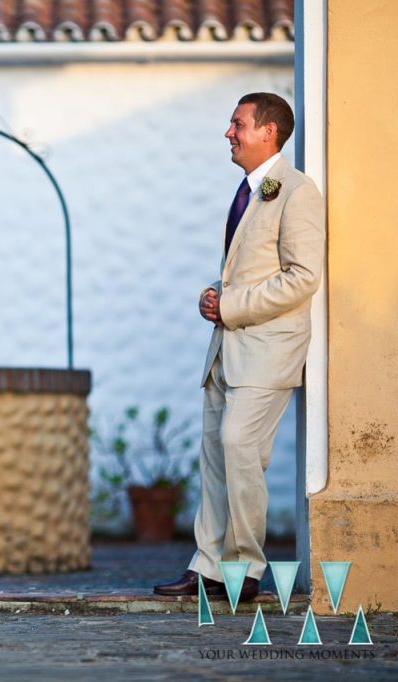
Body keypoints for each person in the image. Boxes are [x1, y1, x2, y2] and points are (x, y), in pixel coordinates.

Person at [154, 93, 325, 601]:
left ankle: (245, 570)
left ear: (269, 132)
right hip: (225, 352)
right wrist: (215, 295)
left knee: (238, 446)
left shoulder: (298, 191)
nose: (229, 132)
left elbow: (303, 277)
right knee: (214, 455)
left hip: (268, 351)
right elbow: (246, 270)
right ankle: (208, 567)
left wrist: (231, 305)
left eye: (238, 124)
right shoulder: (249, 190)